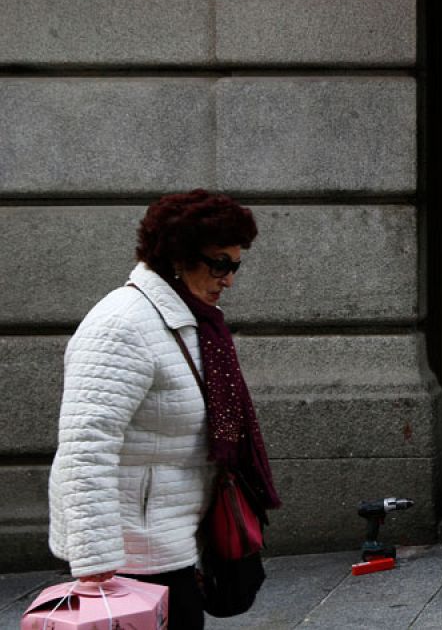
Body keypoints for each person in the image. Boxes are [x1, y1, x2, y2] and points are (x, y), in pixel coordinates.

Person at [48, 190, 280, 629]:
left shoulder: (192, 322)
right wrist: (96, 560)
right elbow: (85, 447)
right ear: (177, 256)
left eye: (235, 264)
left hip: (175, 537)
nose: (229, 278)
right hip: (130, 554)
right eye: (219, 263)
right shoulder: (122, 325)